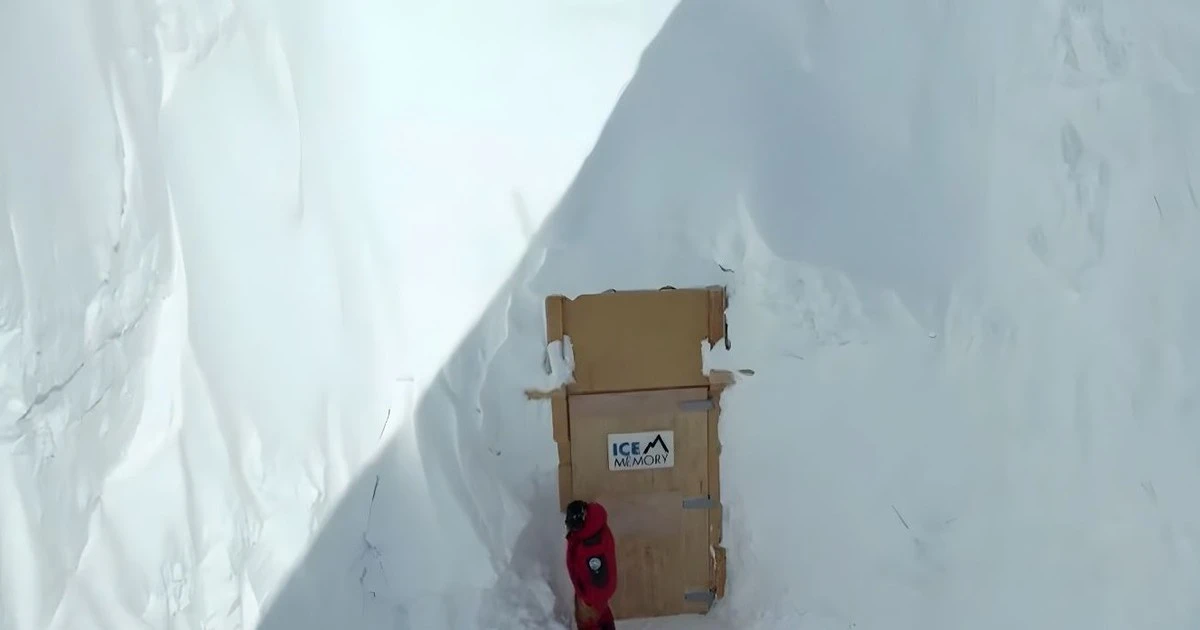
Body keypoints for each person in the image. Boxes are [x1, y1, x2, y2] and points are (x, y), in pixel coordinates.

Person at [564, 499, 618, 630]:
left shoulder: (592, 547)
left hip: (592, 593)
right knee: (602, 613)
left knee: (587, 622)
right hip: (600, 591)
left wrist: (587, 600)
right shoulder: (595, 525)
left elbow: (599, 577)